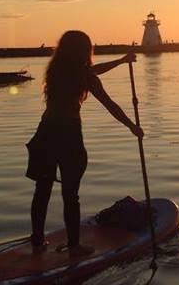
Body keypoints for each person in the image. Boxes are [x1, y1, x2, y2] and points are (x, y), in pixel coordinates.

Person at [26, 32, 142, 256]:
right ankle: (74, 245)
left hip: (45, 133)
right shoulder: (83, 75)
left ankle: (37, 241)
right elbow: (110, 104)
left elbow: (93, 71)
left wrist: (119, 61)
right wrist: (132, 126)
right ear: (83, 50)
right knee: (71, 194)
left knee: (42, 190)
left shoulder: (55, 71)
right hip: (68, 135)